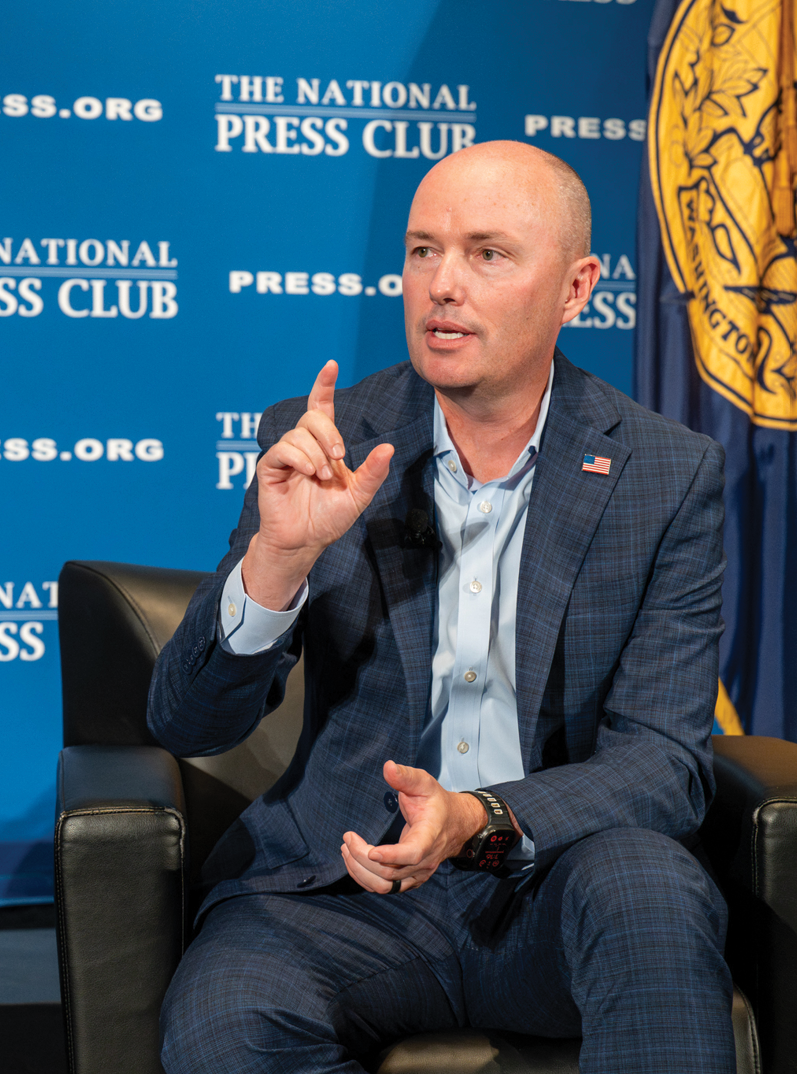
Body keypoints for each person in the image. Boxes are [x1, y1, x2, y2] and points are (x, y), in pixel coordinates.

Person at [149, 140, 733, 1073]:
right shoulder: (324, 441)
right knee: (227, 1018)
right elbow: (187, 723)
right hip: (344, 890)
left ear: (575, 288)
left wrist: (477, 818)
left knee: (648, 888)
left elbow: (663, 761)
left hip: (554, 880)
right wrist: (276, 562)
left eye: (486, 253)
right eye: (423, 251)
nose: (441, 284)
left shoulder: (664, 472)